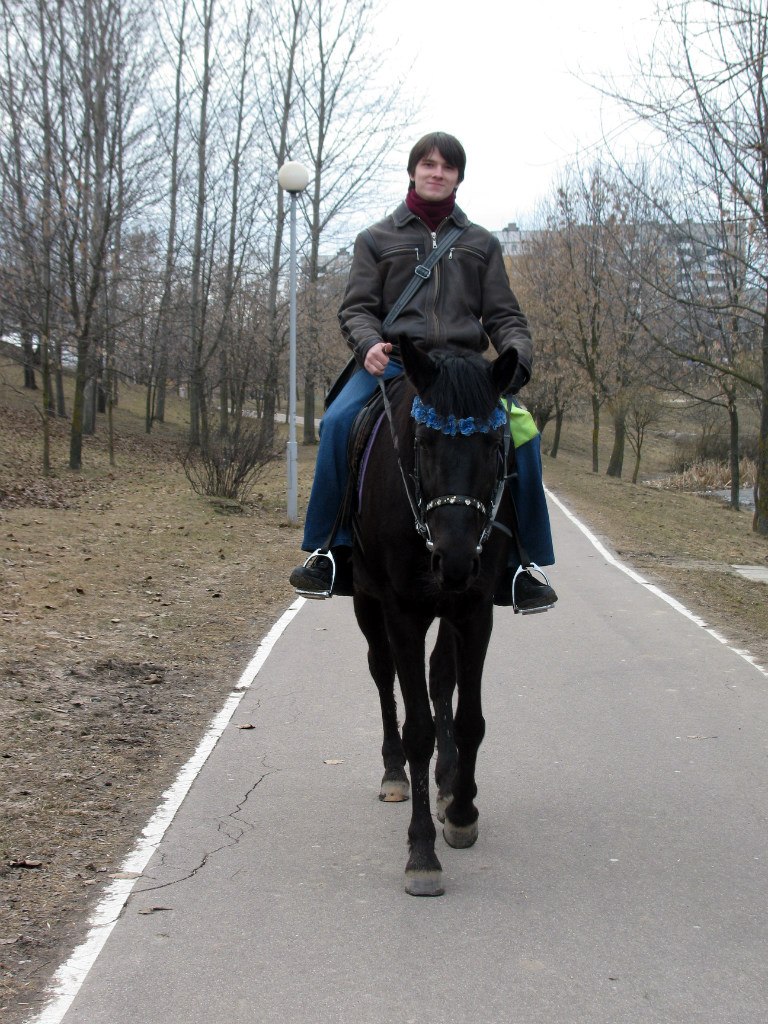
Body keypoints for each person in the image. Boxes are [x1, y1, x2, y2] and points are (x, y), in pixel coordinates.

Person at [289, 131, 556, 612]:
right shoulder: (375, 238)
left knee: (524, 436)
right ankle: (329, 549)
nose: (437, 173)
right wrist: (367, 344)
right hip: (396, 363)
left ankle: (521, 564)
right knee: (336, 425)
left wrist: (516, 359)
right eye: (428, 164)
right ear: (413, 170)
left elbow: (505, 316)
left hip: (466, 373)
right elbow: (357, 308)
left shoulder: (480, 244)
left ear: (458, 177)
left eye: (447, 167)